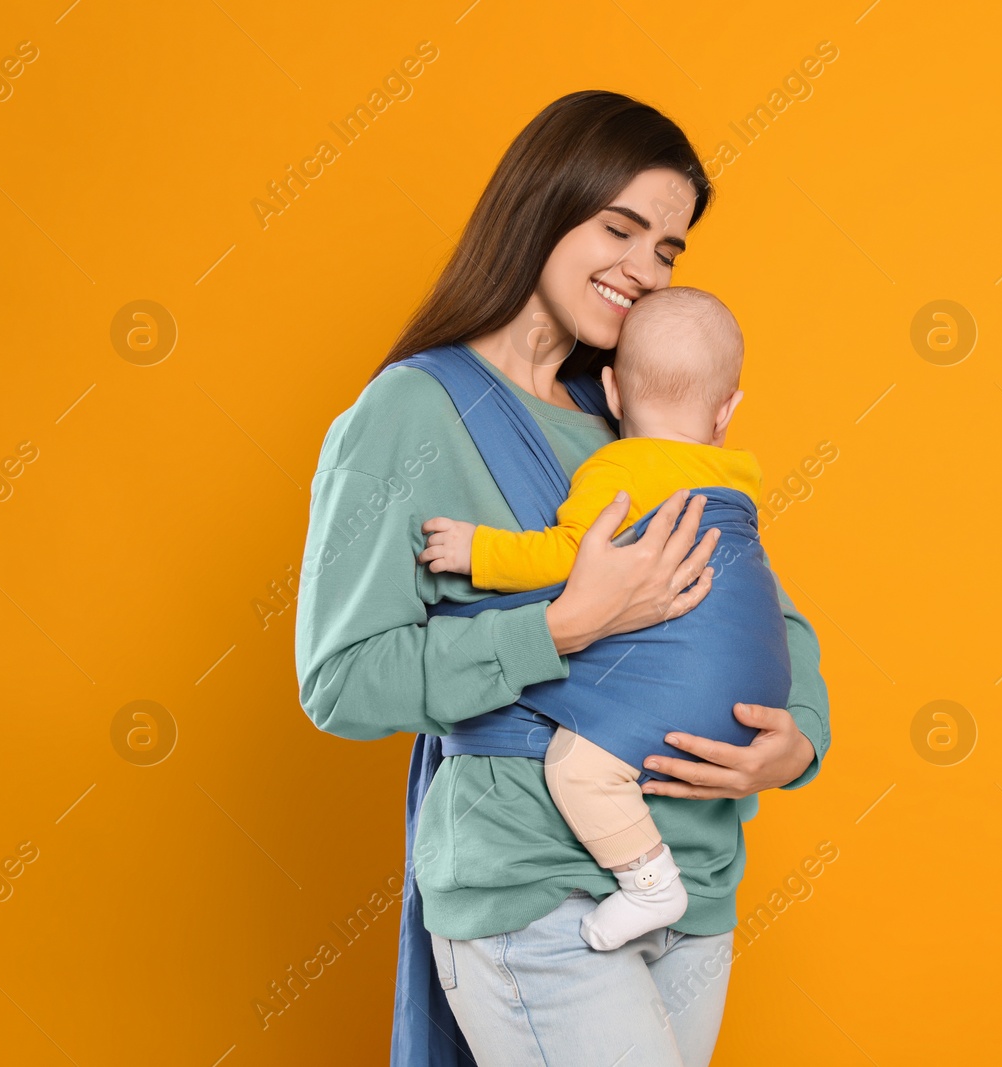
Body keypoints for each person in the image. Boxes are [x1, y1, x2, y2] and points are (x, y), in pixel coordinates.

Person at [294, 90, 831, 1067]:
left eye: (667, 249)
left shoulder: (630, 415)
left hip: (697, 880)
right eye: (618, 227)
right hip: (532, 882)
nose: (642, 269)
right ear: (540, 207)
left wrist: (796, 743)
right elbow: (342, 681)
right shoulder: (411, 416)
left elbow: (771, 618)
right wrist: (560, 626)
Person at [416, 286, 786, 953]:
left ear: (611, 393)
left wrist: (477, 550)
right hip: (754, 698)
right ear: (728, 410)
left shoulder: (617, 466)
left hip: (670, 695)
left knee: (578, 767)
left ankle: (648, 881)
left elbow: (566, 557)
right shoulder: (737, 475)